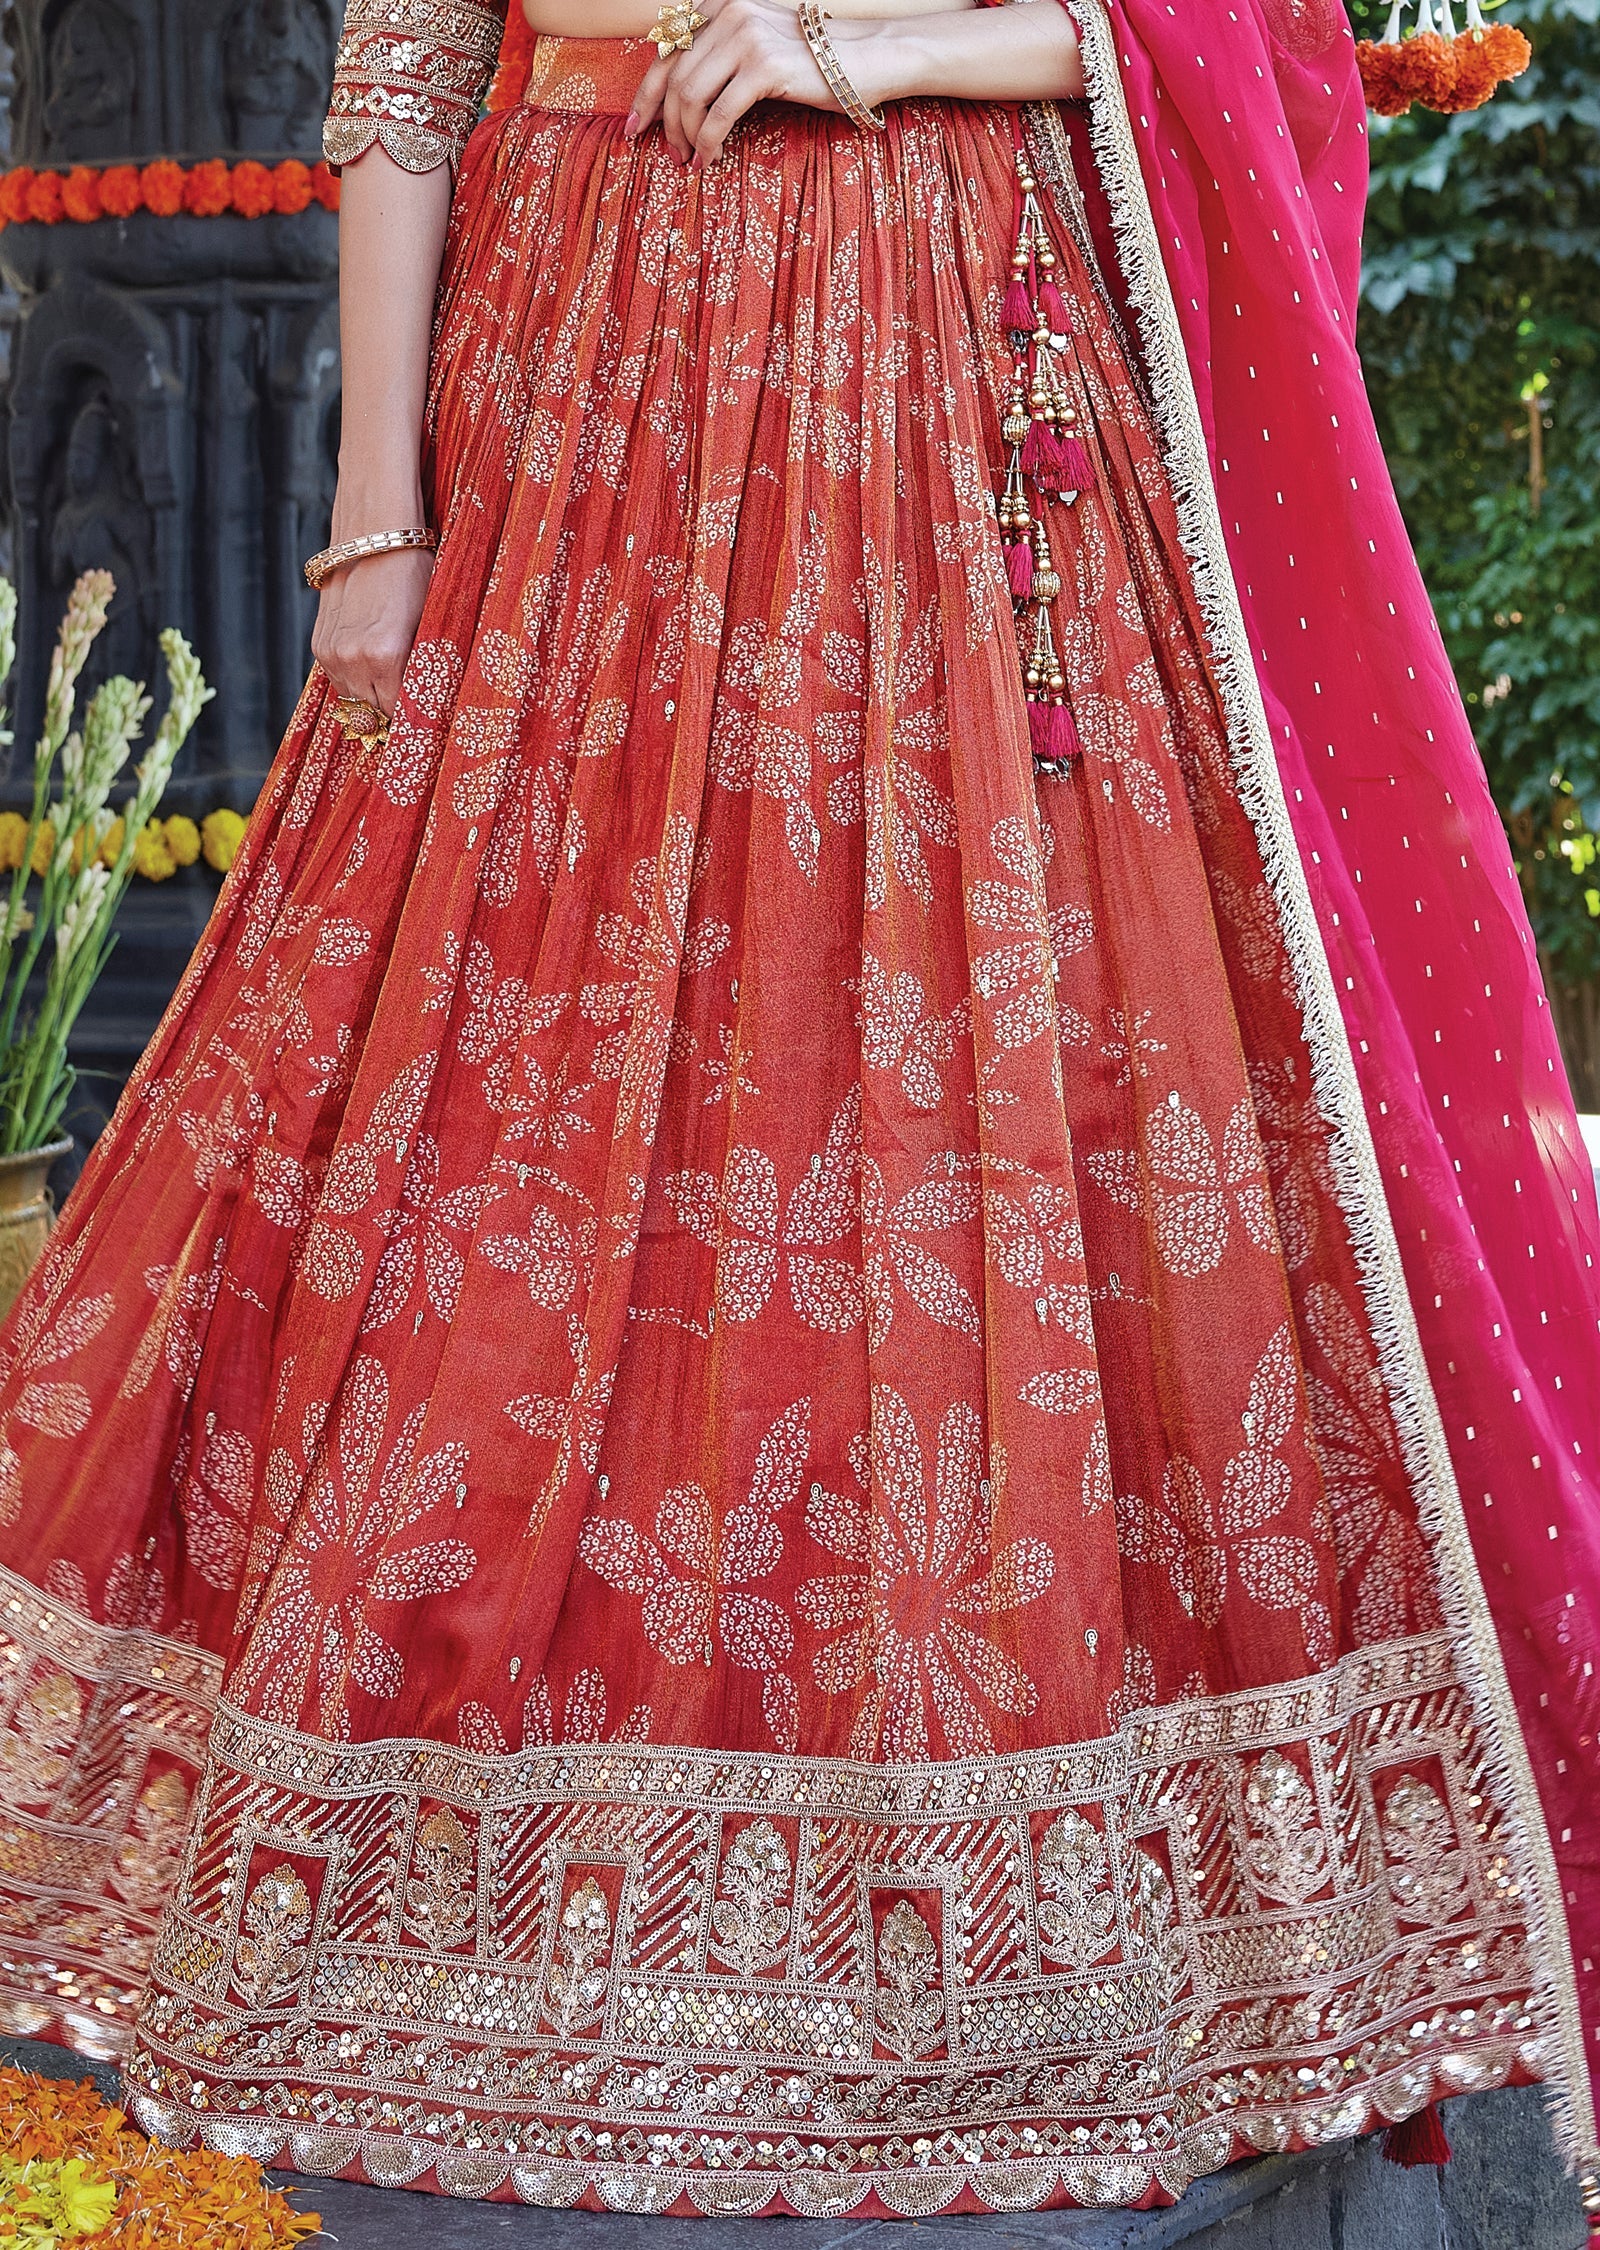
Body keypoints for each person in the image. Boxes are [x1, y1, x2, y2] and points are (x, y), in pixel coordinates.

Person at [1, 0, 1597, 2222]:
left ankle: (1046, 1935)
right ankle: (460, 1890)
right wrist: (376, 509)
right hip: (573, 362)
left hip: (941, 331)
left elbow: (1239, 29)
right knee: (507, 1111)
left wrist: (895, 50)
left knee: (987, 1082)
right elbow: (401, 56)